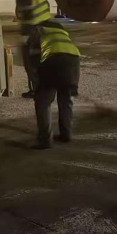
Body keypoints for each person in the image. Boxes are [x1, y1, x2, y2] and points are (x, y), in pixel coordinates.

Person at [27, 19, 80, 149]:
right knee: (66, 99)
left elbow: (34, 57)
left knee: (43, 102)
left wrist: (35, 79)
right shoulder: (61, 31)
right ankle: (66, 134)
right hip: (73, 62)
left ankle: (45, 141)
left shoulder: (38, 31)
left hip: (52, 61)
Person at [6, 0, 51, 98]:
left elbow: (27, 13)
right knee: (42, 60)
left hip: (32, 30)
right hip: (44, 26)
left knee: (30, 63)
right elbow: (46, 4)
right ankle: (46, 88)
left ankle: (36, 91)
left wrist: (25, 35)